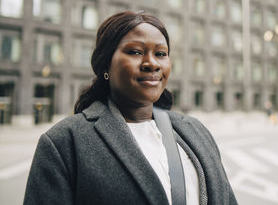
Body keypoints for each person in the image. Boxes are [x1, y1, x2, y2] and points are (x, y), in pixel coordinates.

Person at [24, 11, 238, 205]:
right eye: (135, 52)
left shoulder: (196, 130)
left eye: (161, 54)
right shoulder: (64, 142)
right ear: (106, 64)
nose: (152, 63)